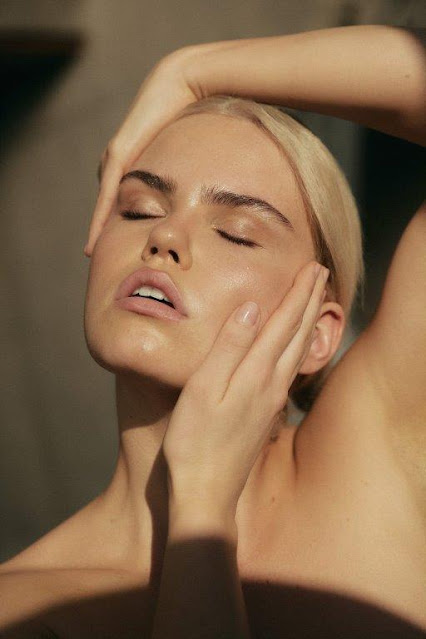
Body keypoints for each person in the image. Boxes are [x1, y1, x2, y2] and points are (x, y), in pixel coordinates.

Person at [0, 24, 425, 639]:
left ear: (318, 334)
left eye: (236, 233)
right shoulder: (22, 608)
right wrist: (201, 504)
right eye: (138, 209)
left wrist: (193, 70)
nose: (164, 236)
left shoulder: (372, 454)